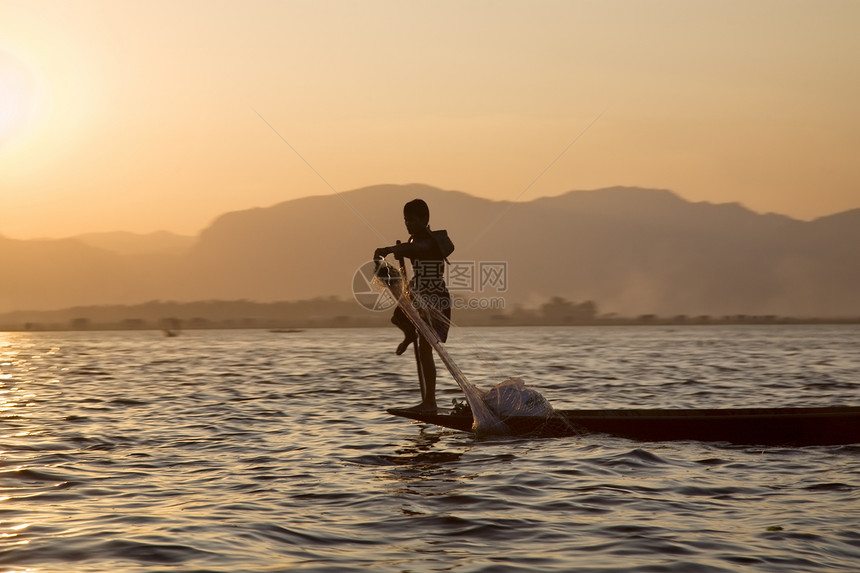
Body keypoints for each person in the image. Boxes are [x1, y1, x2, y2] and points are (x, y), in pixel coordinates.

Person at [374, 199, 453, 412]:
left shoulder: (429, 241)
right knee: (398, 316)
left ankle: (430, 402)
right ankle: (410, 335)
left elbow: (418, 249)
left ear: (425, 220)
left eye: (413, 220)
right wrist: (398, 250)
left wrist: (391, 249)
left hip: (435, 301)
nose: (408, 224)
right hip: (421, 297)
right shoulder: (413, 241)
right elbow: (410, 248)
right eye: (406, 220)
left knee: (426, 349)